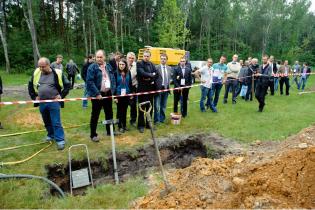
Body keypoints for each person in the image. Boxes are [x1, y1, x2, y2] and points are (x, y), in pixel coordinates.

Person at [28, 57, 71, 150]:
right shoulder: (36, 72)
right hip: (42, 102)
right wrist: (34, 97)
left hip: (54, 102)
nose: (41, 69)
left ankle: (60, 140)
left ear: (48, 65)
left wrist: (61, 95)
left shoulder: (58, 73)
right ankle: (50, 135)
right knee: (46, 121)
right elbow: (30, 85)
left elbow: (68, 85)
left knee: (56, 122)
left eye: (43, 67)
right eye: (39, 67)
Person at [86, 50, 117, 142]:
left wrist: (113, 91)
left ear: (104, 57)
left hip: (108, 94)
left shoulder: (109, 66)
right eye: (97, 57)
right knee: (95, 115)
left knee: (109, 113)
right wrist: (97, 93)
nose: (99, 59)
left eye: (101, 57)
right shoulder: (92, 67)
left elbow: (113, 79)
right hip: (97, 95)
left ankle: (110, 131)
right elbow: (90, 82)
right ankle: (93, 135)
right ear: (95, 57)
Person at [137, 50, 158, 133]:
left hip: (150, 89)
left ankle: (148, 124)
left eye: (147, 56)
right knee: (142, 108)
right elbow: (142, 73)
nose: (146, 57)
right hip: (142, 90)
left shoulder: (152, 64)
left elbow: (157, 74)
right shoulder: (139, 63)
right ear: (143, 56)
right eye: (145, 56)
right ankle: (141, 125)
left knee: (150, 107)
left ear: (150, 56)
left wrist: (149, 77)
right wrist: (150, 75)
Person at [114, 59, 132, 133]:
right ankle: (119, 126)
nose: (121, 66)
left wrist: (131, 93)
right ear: (118, 65)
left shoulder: (128, 73)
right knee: (119, 111)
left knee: (124, 110)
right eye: (120, 64)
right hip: (118, 95)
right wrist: (115, 97)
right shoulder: (116, 73)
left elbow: (130, 83)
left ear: (125, 65)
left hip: (126, 94)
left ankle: (124, 125)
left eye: (123, 64)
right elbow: (114, 85)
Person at [154, 53, 172, 124]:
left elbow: (169, 78)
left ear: (167, 60)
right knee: (157, 106)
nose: (163, 60)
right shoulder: (156, 67)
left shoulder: (169, 68)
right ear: (160, 59)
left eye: (164, 59)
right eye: (161, 59)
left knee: (163, 106)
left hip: (166, 89)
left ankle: (162, 119)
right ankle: (156, 120)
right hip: (158, 89)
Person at [127, 52, 138, 126]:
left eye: (132, 58)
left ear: (134, 59)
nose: (131, 59)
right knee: (123, 105)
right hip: (124, 87)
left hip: (133, 87)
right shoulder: (123, 64)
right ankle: (121, 121)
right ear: (127, 58)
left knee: (133, 105)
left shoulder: (136, 66)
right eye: (129, 58)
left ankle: (133, 120)